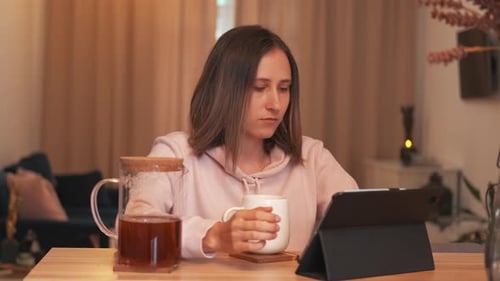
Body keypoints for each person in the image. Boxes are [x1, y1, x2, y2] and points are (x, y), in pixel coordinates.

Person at [139, 25, 358, 258]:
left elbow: (364, 224)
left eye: (284, 88)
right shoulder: (175, 154)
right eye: (259, 87)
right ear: (224, 90)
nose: (275, 103)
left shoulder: (312, 157)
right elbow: (133, 230)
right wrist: (213, 235)